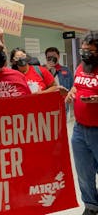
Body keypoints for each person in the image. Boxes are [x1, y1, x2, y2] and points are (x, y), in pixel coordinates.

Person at [65, 31, 98, 215]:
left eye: (90, 50)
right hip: (79, 130)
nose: (85, 54)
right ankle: (92, 206)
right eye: (83, 49)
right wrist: (71, 91)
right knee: (84, 172)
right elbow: (77, 85)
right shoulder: (81, 67)